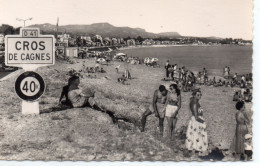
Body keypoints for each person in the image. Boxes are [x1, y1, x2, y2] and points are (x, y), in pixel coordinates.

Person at [185, 89, 208, 156]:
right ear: (194, 95)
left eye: (200, 95)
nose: (199, 96)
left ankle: (194, 152)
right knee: (196, 136)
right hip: (196, 121)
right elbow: (196, 116)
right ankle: (195, 152)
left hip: (195, 120)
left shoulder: (195, 102)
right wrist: (203, 122)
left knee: (195, 135)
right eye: (198, 95)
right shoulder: (195, 103)